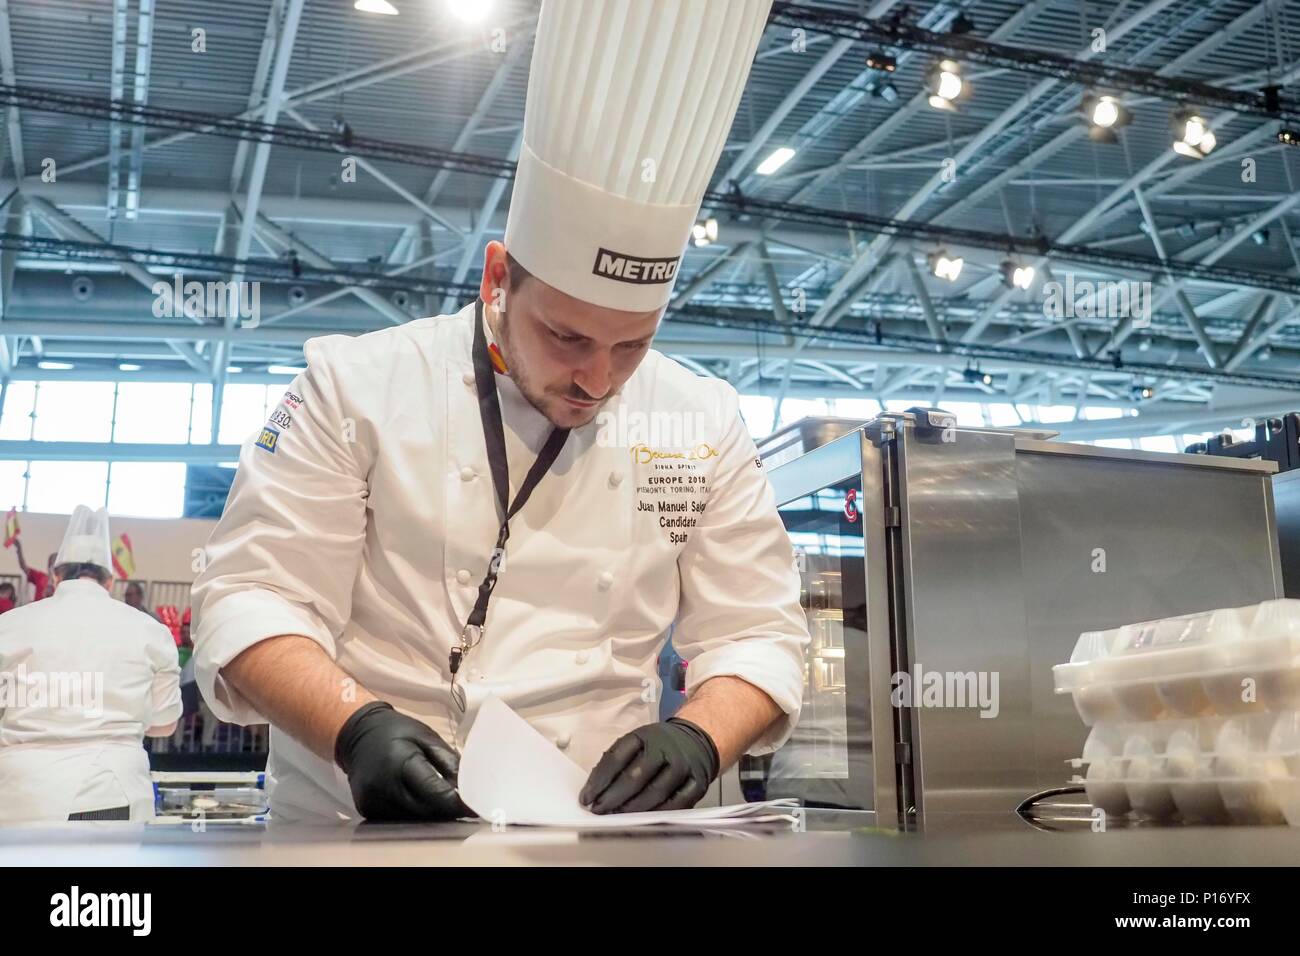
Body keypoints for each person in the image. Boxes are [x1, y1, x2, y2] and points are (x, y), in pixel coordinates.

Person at [192, 0, 807, 823]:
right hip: (353, 826)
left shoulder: (702, 420)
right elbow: (252, 598)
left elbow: (758, 633)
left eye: (632, 346)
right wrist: (355, 727)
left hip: (589, 832)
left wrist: (700, 735)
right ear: (496, 281)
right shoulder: (356, 385)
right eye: (567, 336)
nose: (598, 378)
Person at [0, 506, 182, 821]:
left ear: (56, 576)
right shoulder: (150, 630)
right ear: (109, 581)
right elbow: (165, 724)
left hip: (19, 794)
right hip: (108, 791)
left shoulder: (10, 624)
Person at [12, 538, 55, 603]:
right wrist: (19, 549)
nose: (52, 567)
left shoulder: (64, 582)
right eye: (51, 564)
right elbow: (23, 566)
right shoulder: (40, 576)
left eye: (55, 563)